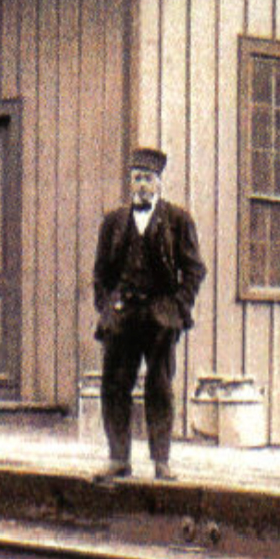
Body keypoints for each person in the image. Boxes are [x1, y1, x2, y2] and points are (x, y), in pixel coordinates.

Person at [91, 147, 207, 482]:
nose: (142, 185)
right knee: (115, 386)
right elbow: (100, 273)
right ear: (130, 182)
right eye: (137, 178)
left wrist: (178, 306)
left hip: (160, 317)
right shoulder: (113, 222)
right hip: (123, 315)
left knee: (160, 386)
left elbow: (195, 269)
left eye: (148, 179)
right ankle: (118, 458)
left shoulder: (177, 220)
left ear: (158, 183)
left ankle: (161, 461)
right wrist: (107, 306)